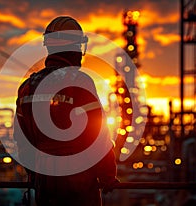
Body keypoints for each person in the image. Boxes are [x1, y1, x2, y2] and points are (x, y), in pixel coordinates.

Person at [14, 16, 119, 206]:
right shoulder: (79, 82)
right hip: (79, 182)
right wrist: (107, 176)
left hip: (44, 184)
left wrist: (35, 174)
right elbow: (98, 135)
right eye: (78, 47)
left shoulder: (27, 87)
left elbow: (21, 140)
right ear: (73, 48)